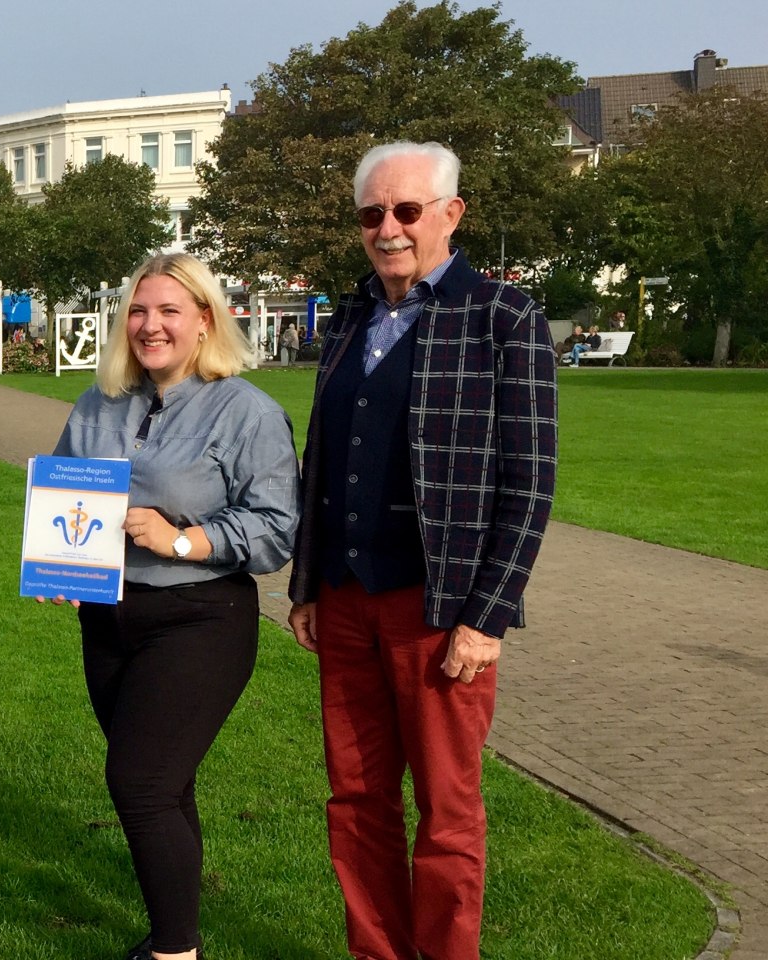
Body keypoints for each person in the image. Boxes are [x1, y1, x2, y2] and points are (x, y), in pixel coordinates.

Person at [286, 141, 556, 960]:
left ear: (450, 214)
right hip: (344, 597)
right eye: (373, 214)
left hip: (441, 610)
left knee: (446, 809)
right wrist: (305, 582)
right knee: (357, 800)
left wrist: (489, 615)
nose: (389, 229)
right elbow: (325, 457)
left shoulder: (501, 317)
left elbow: (531, 478)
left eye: (406, 211)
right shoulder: (350, 317)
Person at [43, 253, 298, 960]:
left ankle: (175, 953)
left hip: (199, 618)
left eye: (168, 312)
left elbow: (278, 529)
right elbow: (67, 489)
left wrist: (184, 539)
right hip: (108, 618)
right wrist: (63, 560)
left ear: (205, 321)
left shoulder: (246, 410)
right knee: (166, 785)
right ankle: (174, 934)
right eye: (138, 311)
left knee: (139, 781)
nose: (150, 326)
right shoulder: (100, 400)